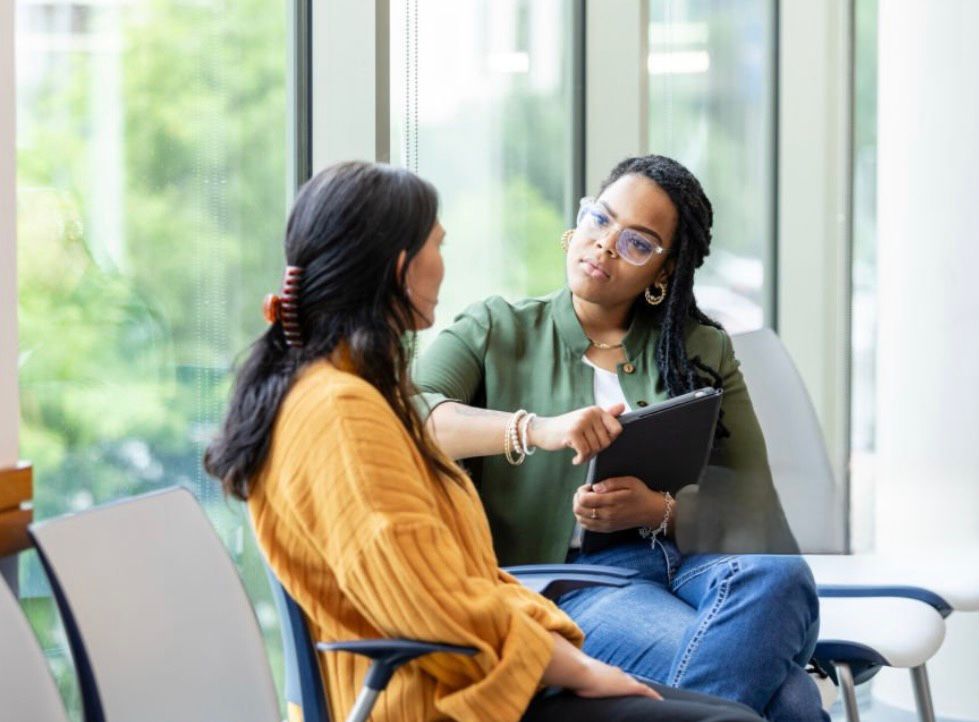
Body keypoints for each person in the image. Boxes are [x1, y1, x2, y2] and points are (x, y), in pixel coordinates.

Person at [204, 161, 763, 722]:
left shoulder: (351, 396)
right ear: (402, 267)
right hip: (446, 694)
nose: (607, 246)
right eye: (438, 245)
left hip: (487, 662)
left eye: (639, 242)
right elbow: (427, 601)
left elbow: (448, 582)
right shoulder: (342, 410)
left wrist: (559, 640)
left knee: (766, 665)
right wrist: (576, 665)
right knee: (742, 715)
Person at [414, 155, 828, 721]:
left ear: (665, 271)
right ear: (576, 224)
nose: (606, 246)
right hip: (570, 583)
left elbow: (756, 511)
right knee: (792, 698)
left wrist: (658, 510)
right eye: (599, 220)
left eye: (637, 243)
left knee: (781, 577)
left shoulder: (700, 348)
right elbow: (412, 417)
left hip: (694, 566)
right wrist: (537, 429)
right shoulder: (496, 327)